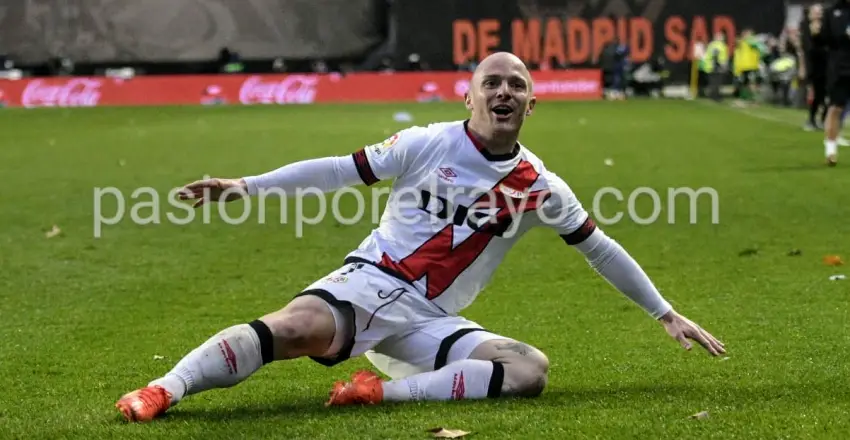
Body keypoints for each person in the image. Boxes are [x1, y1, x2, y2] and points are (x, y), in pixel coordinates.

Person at [114, 52, 726, 422]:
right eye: (492, 82)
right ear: (470, 95)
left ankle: (378, 394)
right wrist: (248, 185)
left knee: (527, 371)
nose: (504, 91)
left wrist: (664, 313)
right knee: (291, 330)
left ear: (532, 105)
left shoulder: (539, 184)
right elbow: (336, 170)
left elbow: (601, 247)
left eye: (516, 84)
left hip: (429, 320)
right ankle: (163, 389)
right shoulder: (428, 142)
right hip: (369, 282)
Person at [811, 0, 850, 165]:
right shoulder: (832, 12)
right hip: (840, 67)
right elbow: (824, 40)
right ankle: (830, 151)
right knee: (836, 107)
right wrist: (816, 33)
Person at [801, 4, 829, 130]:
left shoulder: (826, 27)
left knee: (830, 95)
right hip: (813, 66)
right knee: (817, 95)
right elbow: (806, 49)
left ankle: (824, 119)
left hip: (827, 65)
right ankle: (812, 119)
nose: (818, 15)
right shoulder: (805, 27)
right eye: (815, 12)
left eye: (820, 12)